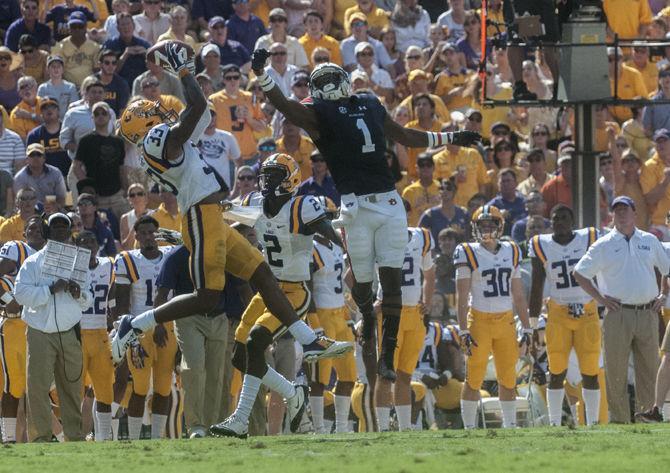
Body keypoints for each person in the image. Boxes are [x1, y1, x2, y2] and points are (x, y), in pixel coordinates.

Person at [113, 41, 350, 396]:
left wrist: (187, 76)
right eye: (156, 111)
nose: (163, 113)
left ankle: (308, 340)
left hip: (211, 215)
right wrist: (183, 71)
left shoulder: (158, 142)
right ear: (147, 122)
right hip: (201, 216)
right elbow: (193, 109)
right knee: (208, 297)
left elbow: (202, 112)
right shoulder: (155, 140)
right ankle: (136, 323)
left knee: (261, 272)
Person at [251, 47, 479, 383]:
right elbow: (286, 106)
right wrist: (263, 75)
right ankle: (369, 324)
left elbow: (402, 135)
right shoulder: (345, 107)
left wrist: (451, 136)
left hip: (385, 203)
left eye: (329, 80)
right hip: (359, 206)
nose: (327, 87)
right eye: (323, 81)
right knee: (364, 286)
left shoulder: (361, 104)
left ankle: (385, 355)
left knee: (392, 282)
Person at [211, 153, 349, 438]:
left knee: (255, 342)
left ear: (290, 181)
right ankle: (292, 392)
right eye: (266, 175)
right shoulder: (256, 204)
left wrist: (344, 247)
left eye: (273, 176)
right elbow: (232, 224)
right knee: (240, 356)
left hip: (294, 292)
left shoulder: (302, 207)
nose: (265, 181)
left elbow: (325, 230)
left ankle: (240, 419)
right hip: (268, 288)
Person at [574, 196, 670, 424]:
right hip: (618, 313)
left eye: (625, 210)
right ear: (613, 215)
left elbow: (667, 269)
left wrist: (663, 294)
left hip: (648, 312)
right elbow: (579, 273)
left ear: (635, 213)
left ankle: (647, 418)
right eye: (617, 211)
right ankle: (619, 421)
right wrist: (600, 298)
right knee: (615, 370)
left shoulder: (649, 240)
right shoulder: (603, 244)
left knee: (649, 369)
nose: (622, 215)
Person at [14, 213, 92, 442]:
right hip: (40, 332)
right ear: (48, 232)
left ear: (69, 232)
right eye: (55, 227)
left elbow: (87, 299)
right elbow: (21, 294)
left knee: (71, 386)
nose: (59, 230)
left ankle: (74, 437)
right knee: (37, 387)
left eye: (63, 227)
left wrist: (79, 294)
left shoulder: (79, 261)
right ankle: (41, 438)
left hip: (69, 331)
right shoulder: (33, 262)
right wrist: (50, 289)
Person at [453, 205, 532, 429]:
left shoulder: (512, 250)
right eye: (482, 224)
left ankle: (510, 425)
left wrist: (526, 328)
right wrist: (463, 329)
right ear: (474, 227)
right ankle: (469, 427)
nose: (487, 229)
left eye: (491, 224)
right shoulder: (467, 251)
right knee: (474, 377)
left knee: (508, 376)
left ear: (500, 226)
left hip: (506, 321)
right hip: (478, 320)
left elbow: (518, 295)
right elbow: (462, 296)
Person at [529, 205, 601, 426]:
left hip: (587, 311)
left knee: (590, 371)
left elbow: (602, 270)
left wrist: (603, 304)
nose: (559, 221)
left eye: (564, 217)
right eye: (555, 218)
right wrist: (532, 324)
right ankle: (553, 424)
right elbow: (537, 284)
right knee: (556, 370)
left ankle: (593, 422)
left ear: (572, 221)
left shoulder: (589, 237)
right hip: (558, 313)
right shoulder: (541, 244)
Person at [113, 215, 174, 440]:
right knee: (138, 387)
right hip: (139, 327)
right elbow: (121, 303)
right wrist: (127, 335)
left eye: (152, 232)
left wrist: (167, 234)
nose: (149, 237)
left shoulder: (170, 255)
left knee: (163, 387)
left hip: (168, 327)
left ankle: (157, 438)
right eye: (144, 233)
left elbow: (187, 244)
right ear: (136, 236)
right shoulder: (128, 259)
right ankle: (135, 437)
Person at [375, 224, 434, 432]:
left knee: (405, 374)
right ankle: (382, 427)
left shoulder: (422, 236)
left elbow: (429, 272)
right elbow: (352, 275)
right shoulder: (378, 234)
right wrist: (366, 307)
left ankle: (404, 427)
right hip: (390, 311)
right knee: (385, 374)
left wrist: (427, 299)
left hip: (414, 313)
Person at [308, 209, 357, 434]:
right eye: (324, 219)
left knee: (348, 376)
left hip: (340, 315)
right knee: (319, 378)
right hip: (322, 315)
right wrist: (313, 322)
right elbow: (306, 289)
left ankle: (341, 427)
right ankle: (318, 427)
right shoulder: (309, 247)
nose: (329, 222)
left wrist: (349, 317)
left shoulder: (336, 246)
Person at [0, 216, 46, 444]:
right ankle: (8, 438)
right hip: (15, 324)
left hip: (42, 323)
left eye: (41, 228)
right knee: (14, 383)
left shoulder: (52, 256)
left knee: (40, 385)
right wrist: (8, 299)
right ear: (24, 233)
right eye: (32, 228)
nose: (37, 231)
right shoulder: (17, 248)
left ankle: (44, 436)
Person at [74, 230, 115, 442]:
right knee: (73, 390)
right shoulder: (71, 269)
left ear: (98, 244)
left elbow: (114, 296)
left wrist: (115, 323)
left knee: (104, 388)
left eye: (91, 241)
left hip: (100, 333)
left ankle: (103, 437)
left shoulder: (109, 265)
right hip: (77, 334)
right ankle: (74, 436)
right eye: (82, 241)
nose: (88, 245)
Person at [72, 101, 128, 220]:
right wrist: (88, 187)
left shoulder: (118, 142)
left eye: (104, 113)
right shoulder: (85, 140)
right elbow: (76, 167)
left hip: (117, 196)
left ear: (109, 116)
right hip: (97, 198)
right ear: (92, 118)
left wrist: (125, 190)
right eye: (97, 114)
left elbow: (121, 168)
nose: (100, 116)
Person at [210, 64, 266, 162]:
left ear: (240, 79)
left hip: (250, 155)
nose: (233, 81)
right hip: (225, 157)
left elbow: (262, 128)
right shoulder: (214, 100)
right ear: (223, 80)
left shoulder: (251, 97)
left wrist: (249, 119)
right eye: (229, 78)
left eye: (236, 77)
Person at [50, 11, 100, 87]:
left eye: (80, 26)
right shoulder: (60, 46)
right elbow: (56, 71)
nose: (77, 29)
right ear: (69, 28)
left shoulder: (95, 47)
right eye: (73, 26)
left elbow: (97, 70)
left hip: (89, 87)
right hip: (68, 88)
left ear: (86, 27)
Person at [197, 103, 241, 190]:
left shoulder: (227, 137)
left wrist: (235, 190)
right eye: (206, 115)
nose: (209, 118)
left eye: (211, 115)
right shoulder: (194, 138)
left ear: (216, 117)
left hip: (223, 190)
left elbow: (239, 164)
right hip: (201, 190)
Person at [102, 12, 151, 85]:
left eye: (128, 24)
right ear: (118, 28)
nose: (126, 27)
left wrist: (146, 55)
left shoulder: (144, 44)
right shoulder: (110, 45)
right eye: (123, 25)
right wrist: (124, 56)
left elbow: (155, 69)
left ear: (134, 26)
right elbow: (107, 71)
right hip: (118, 85)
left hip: (142, 85)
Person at [13, 142, 67, 207]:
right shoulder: (19, 177)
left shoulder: (56, 173)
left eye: (38, 154)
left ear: (44, 158)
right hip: (29, 211)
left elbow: (62, 198)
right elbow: (19, 202)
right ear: (27, 159)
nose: (35, 157)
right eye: (32, 155)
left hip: (52, 209)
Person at [418, 178, 468, 242]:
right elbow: (419, 235)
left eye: (448, 188)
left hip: (459, 251)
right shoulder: (429, 214)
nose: (444, 191)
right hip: (437, 251)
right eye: (441, 188)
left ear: (454, 191)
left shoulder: (464, 213)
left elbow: (469, 236)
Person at [402, 153, 441, 227]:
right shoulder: (409, 191)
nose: (425, 168)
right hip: (417, 233)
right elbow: (404, 216)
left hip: (437, 232)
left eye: (428, 165)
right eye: (422, 165)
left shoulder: (441, 188)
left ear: (433, 167)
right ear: (417, 168)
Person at [36, 55, 78, 120]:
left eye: (59, 66)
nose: (56, 69)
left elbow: (74, 108)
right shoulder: (42, 88)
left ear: (63, 69)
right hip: (48, 122)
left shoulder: (70, 87)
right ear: (47, 69)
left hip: (66, 122)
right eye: (53, 67)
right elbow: (39, 109)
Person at [487, 168, 527, 236]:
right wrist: (497, 216)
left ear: (516, 183)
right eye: (503, 181)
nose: (505, 184)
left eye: (508, 181)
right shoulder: (492, 206)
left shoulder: (525, 202)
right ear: (498, 185)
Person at [94, 49, 129, 117]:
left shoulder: (122, 84)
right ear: (100, 64)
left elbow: (122, 111)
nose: (111, 66)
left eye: (114, 63)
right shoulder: (92, 81)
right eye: (107, 63)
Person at [119, 182, 148, 250]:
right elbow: (125, 246)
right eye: (132, 195)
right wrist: (137, 224)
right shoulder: (125, 218)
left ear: (145, 197)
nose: (136, 197)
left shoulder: (154, 214)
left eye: (140, 194)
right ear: (129, 199)